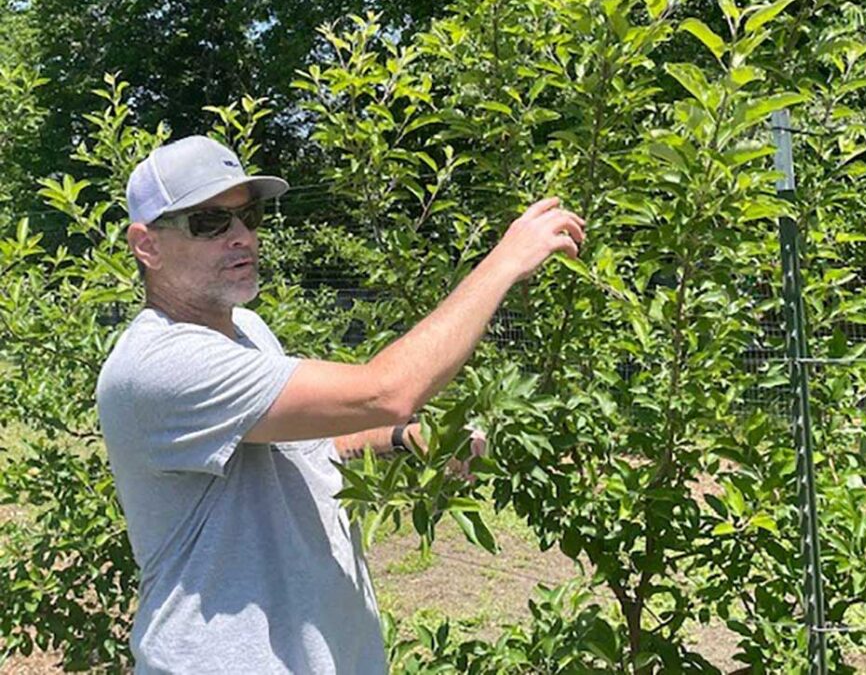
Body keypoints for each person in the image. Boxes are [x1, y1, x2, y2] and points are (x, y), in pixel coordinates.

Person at [96, 135, 585, 674]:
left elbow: (304, 445)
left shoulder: (247, 331)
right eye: (210, 222)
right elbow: (388, 389)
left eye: (249, 216)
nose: (242, 237)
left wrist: (400, 438)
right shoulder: (159, 364)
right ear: (147, 245)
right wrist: (505, 262)